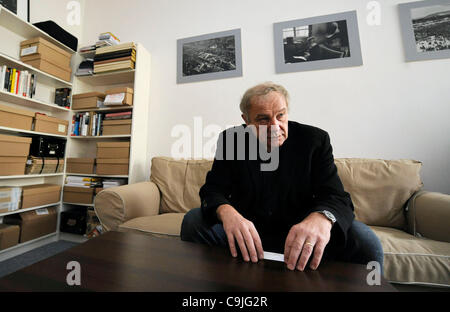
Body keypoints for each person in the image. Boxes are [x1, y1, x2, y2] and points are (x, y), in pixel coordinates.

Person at [181, 82, 383, 272]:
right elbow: (213, 190)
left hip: (302, 235)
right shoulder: (231, 140)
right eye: (263, 119)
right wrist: (226, 212)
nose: (275, 126)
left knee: (365, 241)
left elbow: (336, 196)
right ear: (246, 120)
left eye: (280, 115)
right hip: (248, 236)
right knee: (194, 220)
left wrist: (321, 218)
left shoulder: (315, 140)